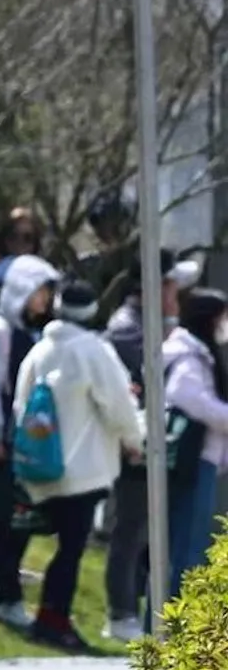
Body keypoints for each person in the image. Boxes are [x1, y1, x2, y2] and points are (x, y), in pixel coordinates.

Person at [10, 280, 142, 654]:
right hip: (83, 470)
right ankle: (54, 621)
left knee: (61, 545)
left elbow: (22, 407)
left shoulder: (39, 352)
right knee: (71, 548)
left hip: (41, 466)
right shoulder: (94, 351)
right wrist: (134, 441)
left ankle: (48, 617)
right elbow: (117, 404)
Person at [101, 249, 193, 641]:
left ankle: (136, 610)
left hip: (152, 442)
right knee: (130, 528)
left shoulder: (151, 324)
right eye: (171, 284)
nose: (177, 293)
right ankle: (121, 614)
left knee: (143, 531)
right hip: (132, 444)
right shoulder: (129, 328)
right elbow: (138, 388)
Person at [0, 252, 61, 630]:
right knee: (1, 521)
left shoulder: (37, 334)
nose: (44, 301)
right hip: (5, 441)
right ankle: (0, 596)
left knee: (21, 520)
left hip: (29, 443)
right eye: (40, 292)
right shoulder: (0, 333)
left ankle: (7, 595)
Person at [163, 288, 228, 597]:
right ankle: (171, 633)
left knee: (190, 549)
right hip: (194, 461)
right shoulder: (189, 354)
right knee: (187, 552)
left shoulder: (197, 353)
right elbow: (188, 397)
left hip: (202, 460)